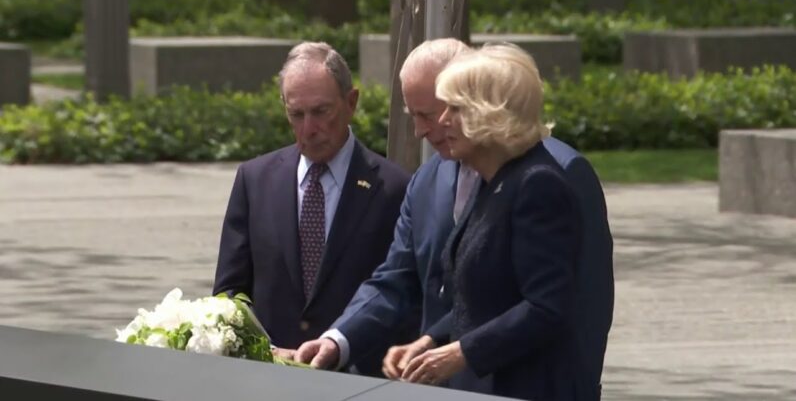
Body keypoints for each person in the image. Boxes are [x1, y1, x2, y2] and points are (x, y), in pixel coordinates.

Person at [296, 39, 613, 399]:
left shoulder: (551, 175)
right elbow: (449, 288)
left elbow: (567, 302)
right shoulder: (452, 179)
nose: (425, 129)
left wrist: (460, 352)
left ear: (483, 108)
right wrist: (429, 338)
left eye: (438, 111)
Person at [212, 42, 410, 375]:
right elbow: (230, 292)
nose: (308, 129)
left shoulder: (394, 189)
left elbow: (400, 293)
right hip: (269, 377)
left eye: (321, 112)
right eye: (296, 114)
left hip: (357, 380)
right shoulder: (254, 179)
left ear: (351, 103)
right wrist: (259, 349)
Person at [401, 43, 584, 400]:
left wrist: (460, 353)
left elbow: (547, 307)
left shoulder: (537, 185)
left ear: (489, 112)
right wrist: (433, 339)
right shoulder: (492, 181)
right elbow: (481, 299)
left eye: (454, 108)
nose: (441, 121)